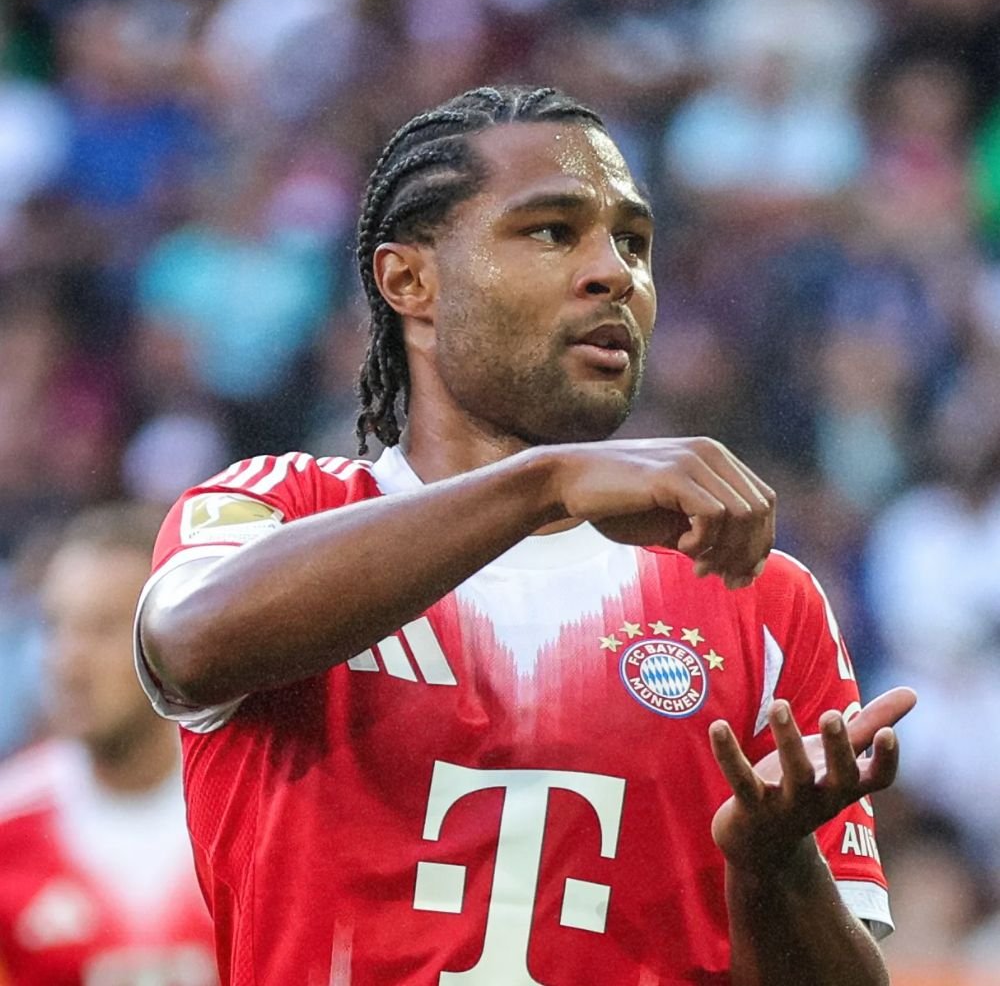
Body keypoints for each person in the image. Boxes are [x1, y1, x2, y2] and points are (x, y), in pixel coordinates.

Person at [135, 85, 916, 986]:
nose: (614, 273)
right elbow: (186, 646)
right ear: (408, 282)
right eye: (551, 230)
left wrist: (773, 862)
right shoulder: (281, 506)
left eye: (634, 242)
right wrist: (544, 485)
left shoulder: (760, 596)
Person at [0, 504, 218, 986]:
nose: (67, 663)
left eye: (103, 629)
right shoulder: (7, 824)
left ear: (174, 637)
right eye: (55, 627)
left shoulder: (246, 813)